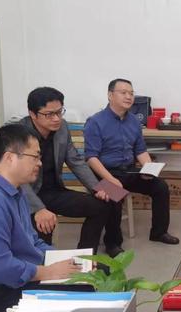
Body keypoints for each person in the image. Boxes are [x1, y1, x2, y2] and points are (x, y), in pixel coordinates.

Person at [0, 124, 83, 312]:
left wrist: (65, 259)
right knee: (84, 291)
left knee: (94, 271)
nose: (40, 163)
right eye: (35, 156)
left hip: (19, 279)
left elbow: (32, 242)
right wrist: (48, 272)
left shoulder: (17, 191)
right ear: (10, 158)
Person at [20, 87, 122, 256]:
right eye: (49, 114)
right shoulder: (18, 134)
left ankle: (86, 258)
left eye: (59, 112)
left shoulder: (62, 128)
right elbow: (16, 179)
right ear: (32, 114)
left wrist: (97, 187)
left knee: (110, 197)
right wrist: (38, 209)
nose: (56, 118)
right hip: (27, 197)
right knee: (43, 235)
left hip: (54, 191)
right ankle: (46, 265)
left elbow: (76, 161)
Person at [83, 78, 179, 245]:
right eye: (123, 93)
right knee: (114, 194)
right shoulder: (95, 122)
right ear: (110, 95)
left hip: (128, 170)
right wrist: (111, 180)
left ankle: (159, 233)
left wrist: (149, 169)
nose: (129, 97)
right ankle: (113, 243)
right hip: (103, 173)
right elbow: (91, 158)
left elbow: (140, 150)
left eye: (131, 93)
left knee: (160, 187)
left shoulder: (134, 121)